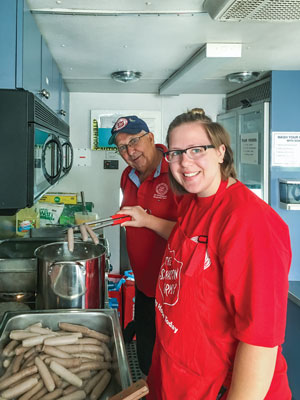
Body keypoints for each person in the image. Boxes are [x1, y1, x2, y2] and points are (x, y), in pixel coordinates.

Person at [122, 109, 292, 399]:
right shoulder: (192, 202)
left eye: (197, 150)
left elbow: (261, 342)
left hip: (218, 389)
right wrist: (145, 220)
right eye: (175, 153)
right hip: (179, 380)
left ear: (221, 152)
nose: (184, 162)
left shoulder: (249, 221)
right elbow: (186, 242)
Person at [108, 115, 178, 376]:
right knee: (147, 355)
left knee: (170, 360)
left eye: (134, 141)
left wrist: (146, 220)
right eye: (122, 147)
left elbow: (192, 235)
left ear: (151, 138)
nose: (130, 151)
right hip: (144, 284)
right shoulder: (128, 175)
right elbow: (136, 214)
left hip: (173, 292)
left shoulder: (177, 171)